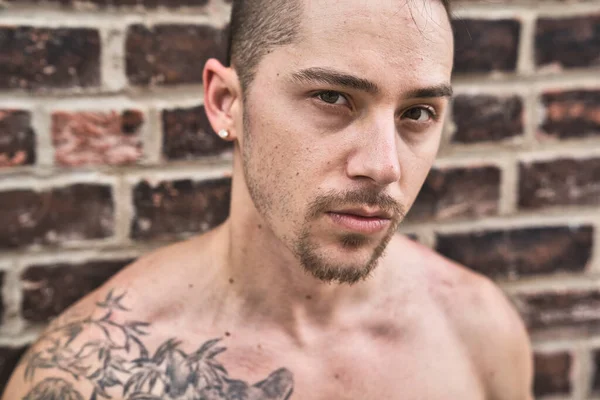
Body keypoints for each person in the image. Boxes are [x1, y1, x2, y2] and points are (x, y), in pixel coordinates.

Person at [3, 0, 534, 398]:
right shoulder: (91, 374)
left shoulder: (478, 329)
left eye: (417, 112)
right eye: (332, 98)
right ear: (225, 102)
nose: (383, 166)